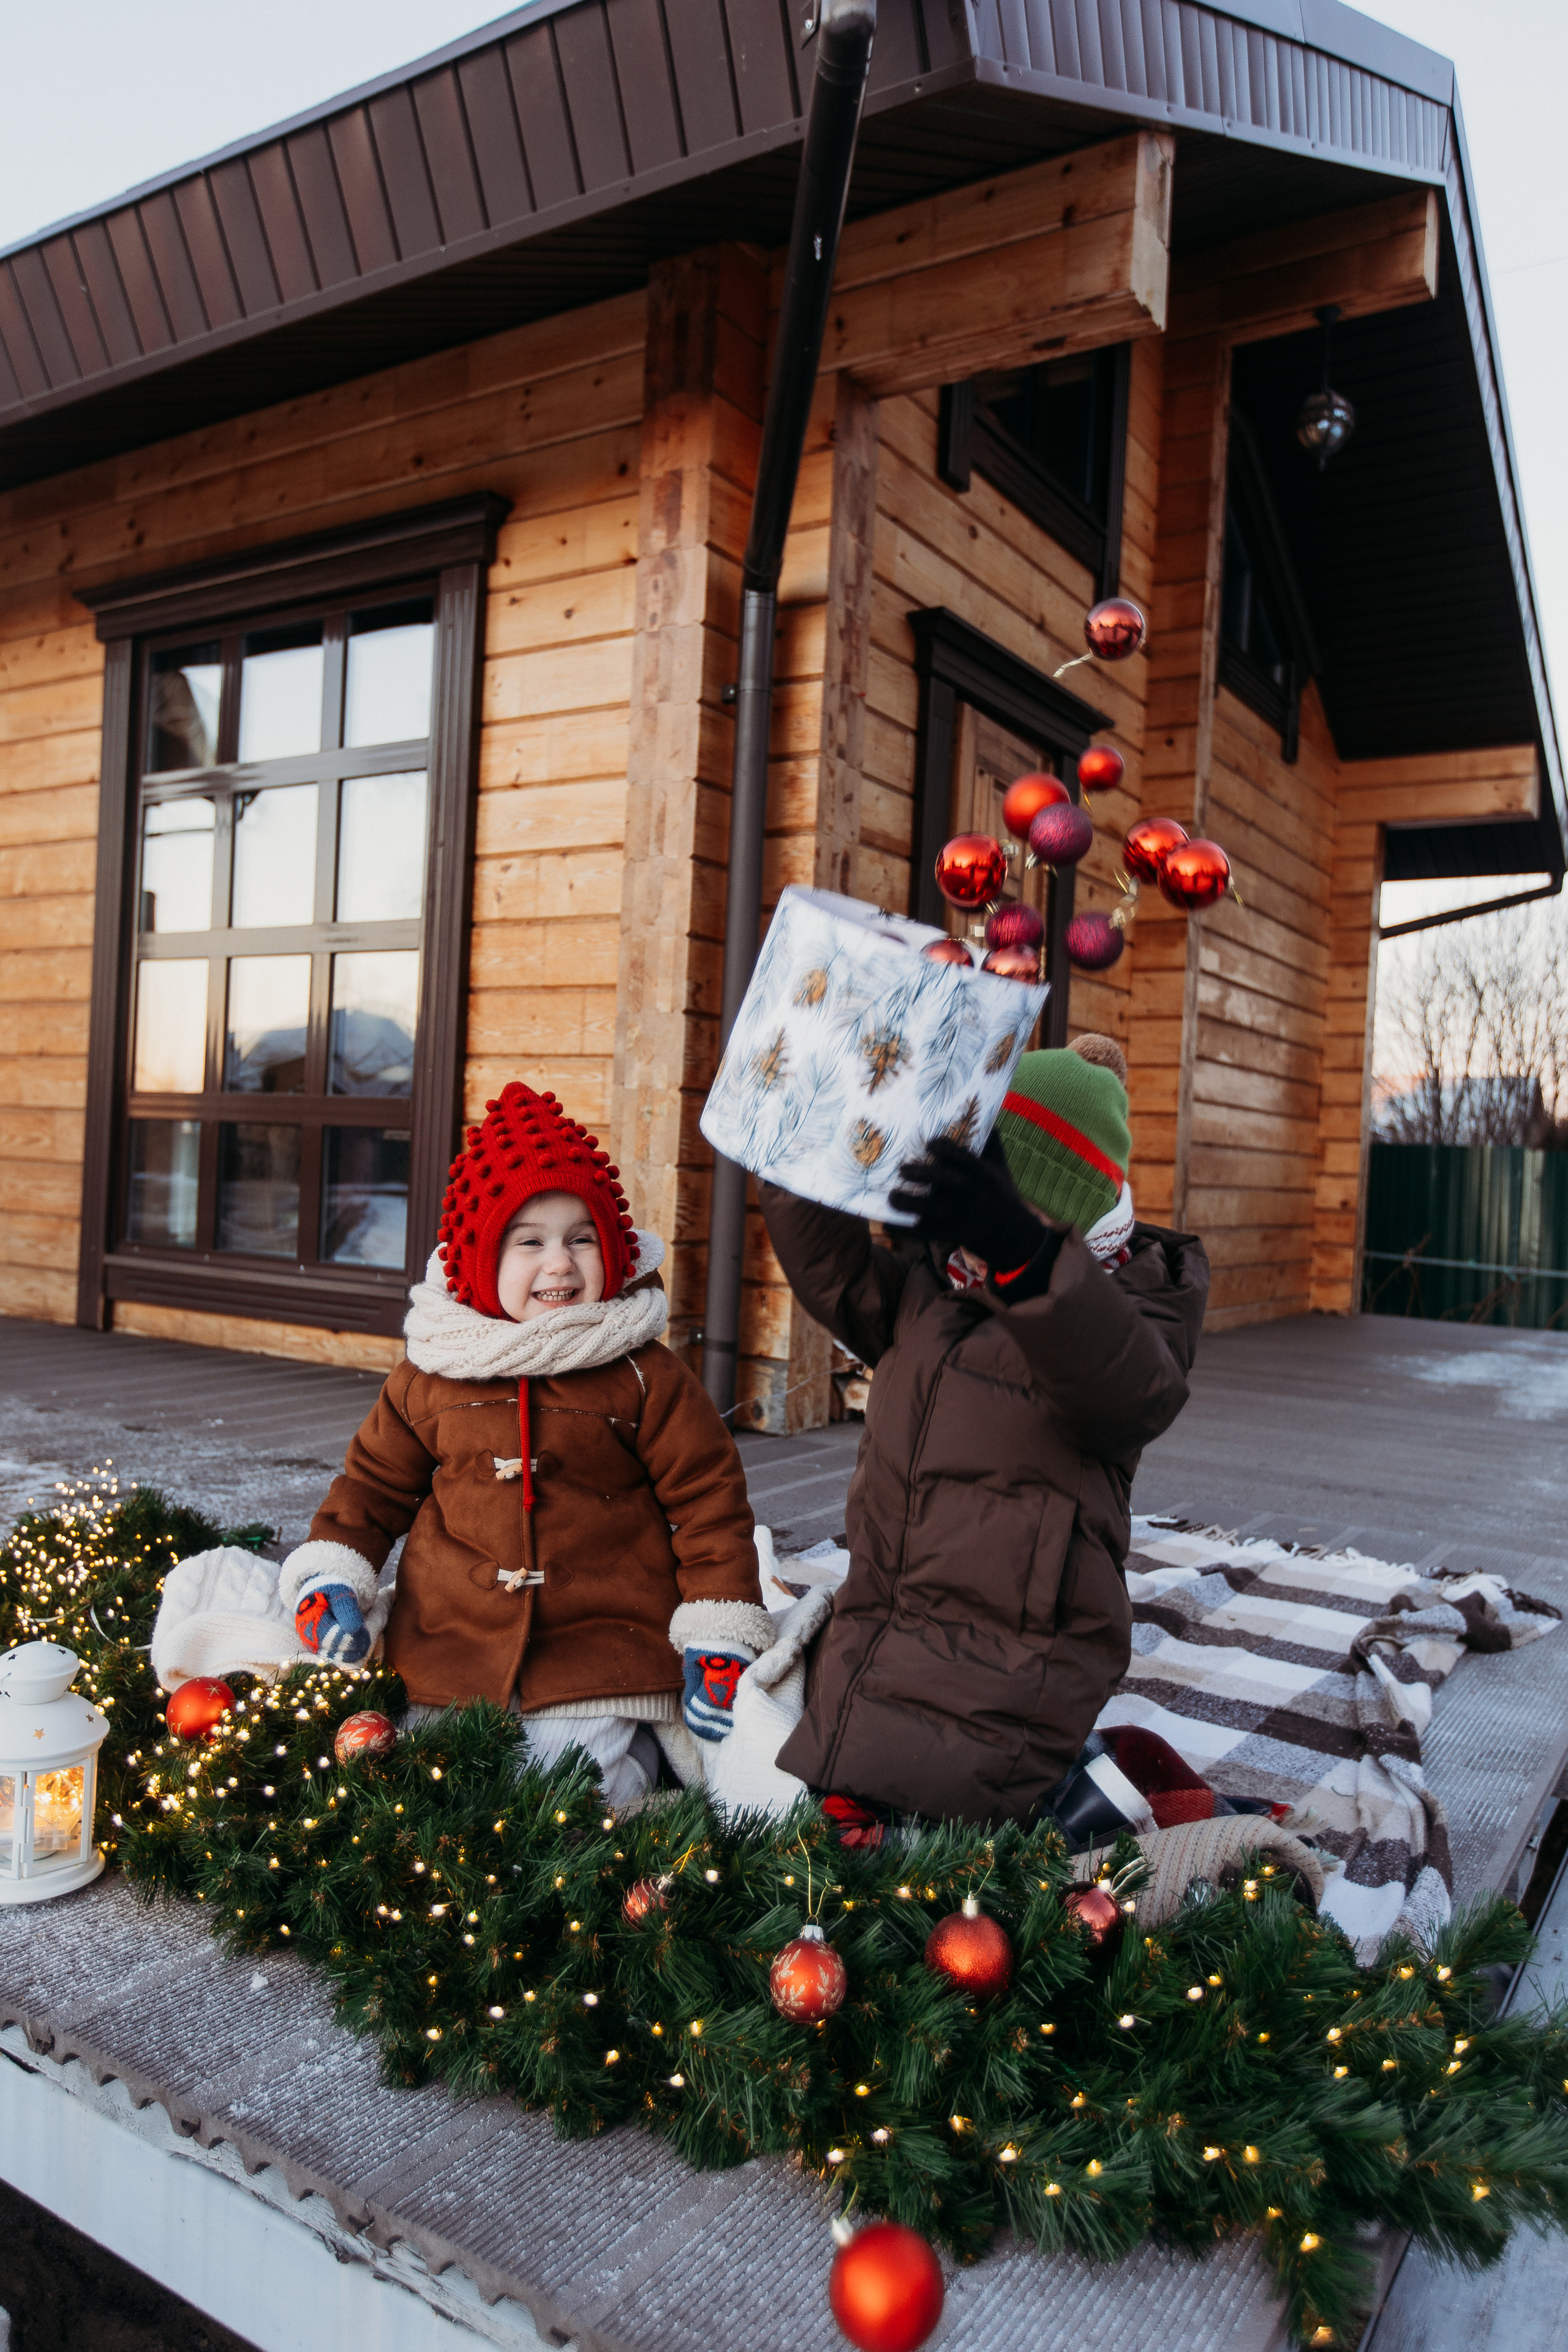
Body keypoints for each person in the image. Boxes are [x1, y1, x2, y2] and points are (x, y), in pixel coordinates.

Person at [278, 1082, 774, 1807]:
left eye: (581, 1239)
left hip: (599, 1644)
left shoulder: (641, 1374)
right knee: (435, 1788)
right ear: (480, 1258)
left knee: (568, 1792)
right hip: (453, 1640)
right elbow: (371, 1487)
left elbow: (709, 1504)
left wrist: (719, 1629)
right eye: (529, 1242)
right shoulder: (434, 1373)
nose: (560, 1265)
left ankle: (643, 1778)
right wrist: (334, 1576)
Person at [758, 1035, 1209, 1830]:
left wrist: (1027, 1256)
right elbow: (831, 1267)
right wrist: (812, 1132)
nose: (967, 1231)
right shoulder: (931, 1292)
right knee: (821, 1798)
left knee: (939, 1833)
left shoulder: (1132, 1312)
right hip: (892, 1615)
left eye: (995, 1207)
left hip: (1024, 1649)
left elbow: (1132, 1388)